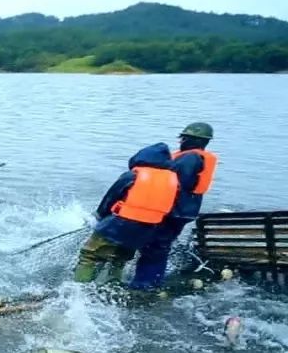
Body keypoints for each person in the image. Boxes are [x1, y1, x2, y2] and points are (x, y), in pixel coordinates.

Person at [128, 123, 218, 290]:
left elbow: (175, 183)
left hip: (173, 211)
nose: (180, 141)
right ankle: (148, 280)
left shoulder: (189, 159)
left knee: (155, 247)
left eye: (183, 138)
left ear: (191, 140)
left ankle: (145, 284)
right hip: (184, 211)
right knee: (157, 246)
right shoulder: (197, 158)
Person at [74, 143, 178, 285]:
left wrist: (97, 217)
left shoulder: (133, 175)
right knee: (119, 259)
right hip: (146, 230)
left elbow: (110, 198)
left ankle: (79, 290)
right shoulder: (172, 180)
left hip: (118, 225)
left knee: (90, 255)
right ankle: (112, 288)